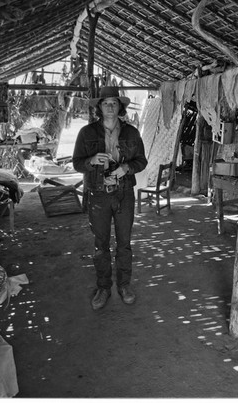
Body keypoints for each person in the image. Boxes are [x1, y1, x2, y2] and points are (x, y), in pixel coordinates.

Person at [73, 86, 147, 310]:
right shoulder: (87, 133)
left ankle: (124, 285)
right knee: (101, 245)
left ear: (120, 106)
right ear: (99, 107)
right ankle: (103, 287)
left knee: (124, 244)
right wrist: (92, 160)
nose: (110, 107)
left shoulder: (131, 133)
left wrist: (126, 168)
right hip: (98, 195)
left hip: (124, 194)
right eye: (106, 103)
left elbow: (141, 161)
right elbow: (77, 162)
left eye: (114, 103)